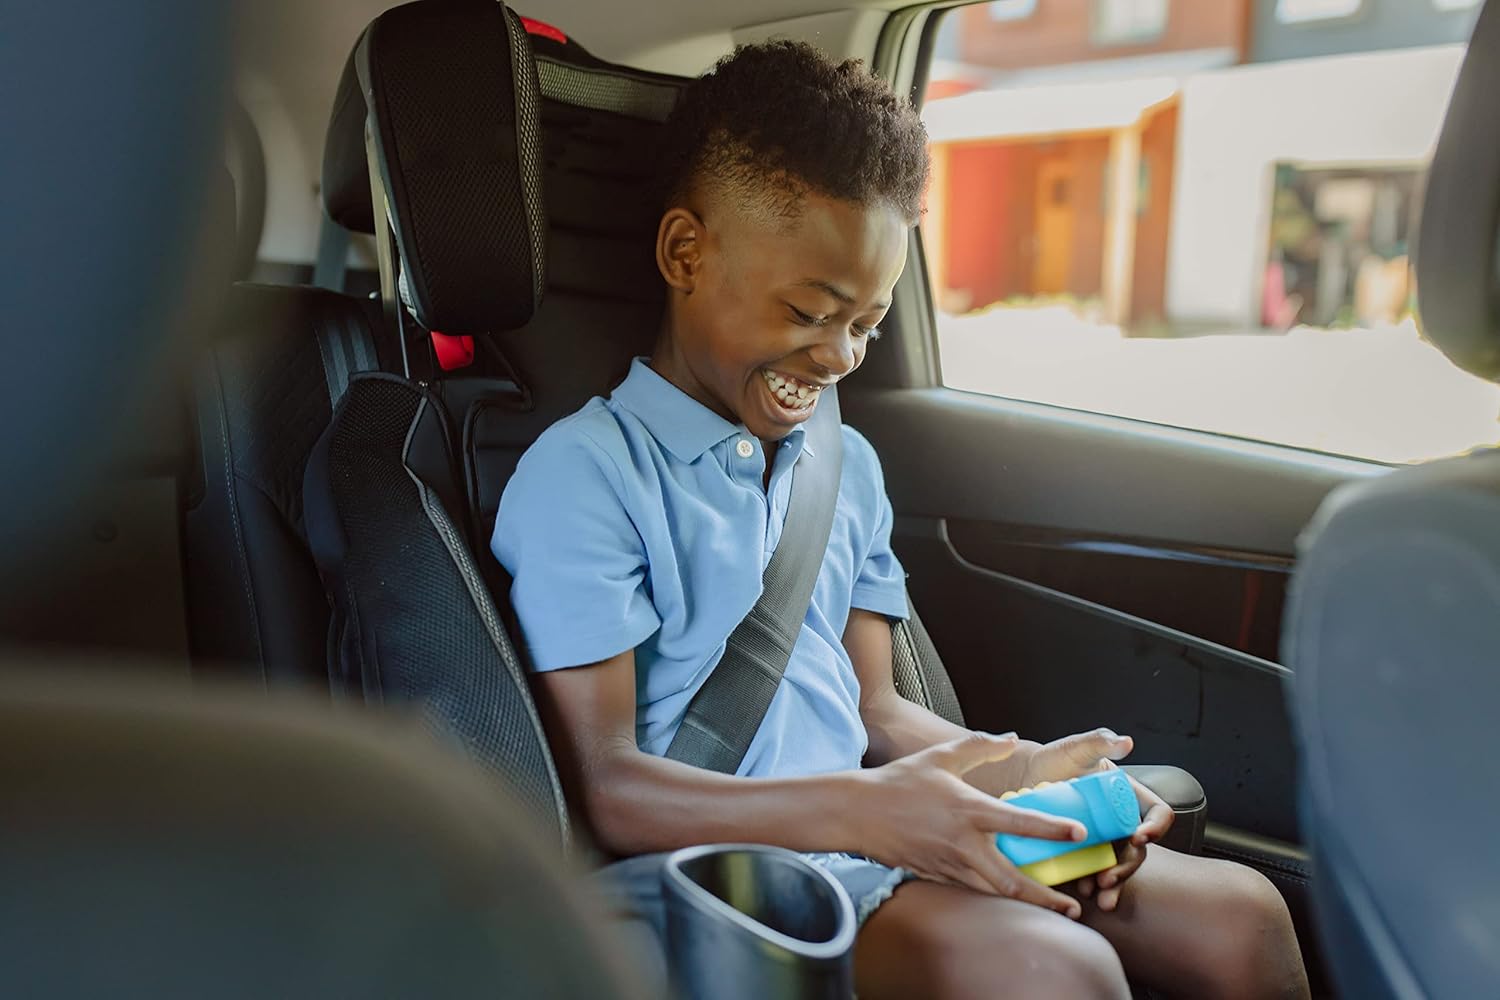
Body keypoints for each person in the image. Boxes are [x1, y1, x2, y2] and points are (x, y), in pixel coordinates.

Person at [493, 40, 1309, 999]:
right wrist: (868, 812)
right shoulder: (588, 474)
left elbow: (874, 711)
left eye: (867, 323)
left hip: (878, 834)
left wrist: (1023, 775)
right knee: (1056, 967)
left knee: (1243, 917)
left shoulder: (844, 467)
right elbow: (610, 785)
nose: (842, 355)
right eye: (811, 311)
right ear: (686, 254)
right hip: (729, 883)